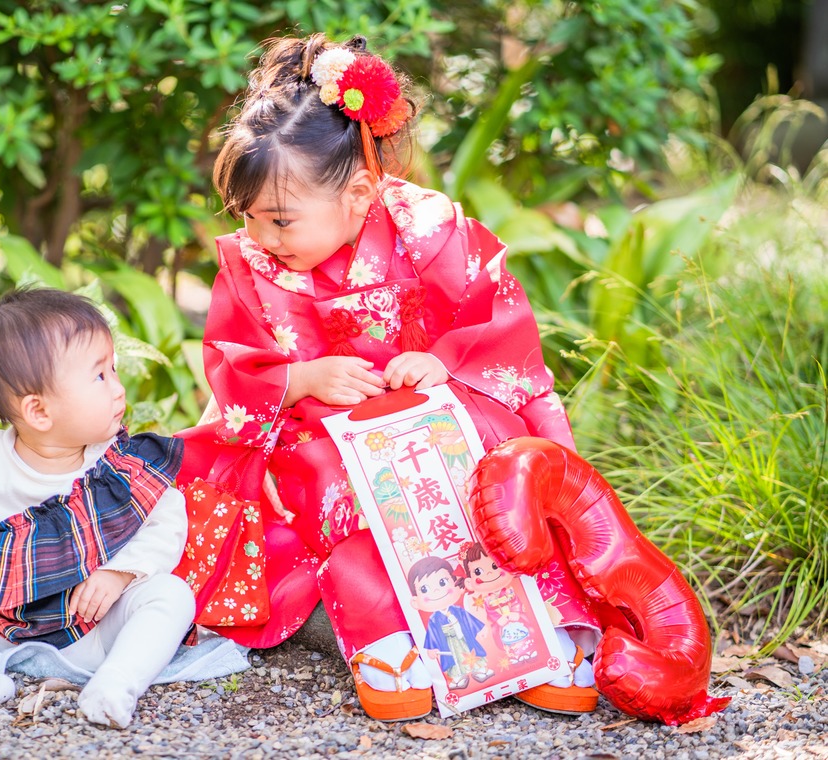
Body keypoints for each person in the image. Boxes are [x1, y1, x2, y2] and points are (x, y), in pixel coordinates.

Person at [176, 32, 601, 720]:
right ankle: (384, 635)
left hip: (448, 404)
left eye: (281, 220)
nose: (264, 239)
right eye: (249, 218)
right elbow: (235, 362)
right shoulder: (249, 264)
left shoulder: (427, 227)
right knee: (339, 489)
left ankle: (547, 628)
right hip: (323, 427)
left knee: (495, 475)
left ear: (360, 192)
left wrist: (444, 360)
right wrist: (306, 378)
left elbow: (497, 315)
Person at [0, 288, 194, 728]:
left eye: (113, 370)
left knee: (171, 596)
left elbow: (166, 518)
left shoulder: (115, 461)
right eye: (100, 377)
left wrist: (121, 572)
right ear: (38, 411)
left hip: (95, 621)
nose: (118, 388)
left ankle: (118, 680)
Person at [407, 556, 493, 690]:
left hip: (463, 638)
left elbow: (468, 620)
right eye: (424, 589)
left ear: (457, 584)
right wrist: (432, 647)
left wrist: (480, 629)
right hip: (448, 643)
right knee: (453, 660)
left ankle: (479, 670)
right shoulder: (435, 619)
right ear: (415, 601)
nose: (436, 591)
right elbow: (433, 634)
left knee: (472, 652)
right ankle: (458, 677)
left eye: (442, 582)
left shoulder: (458, 611)